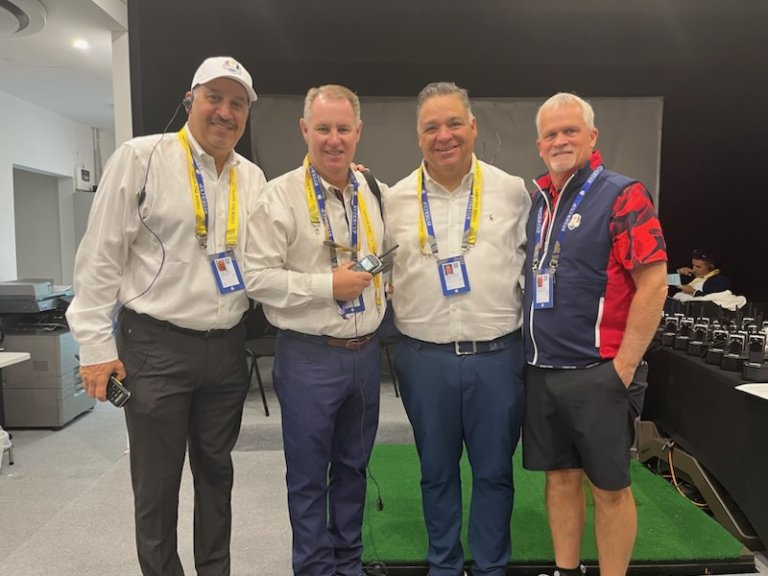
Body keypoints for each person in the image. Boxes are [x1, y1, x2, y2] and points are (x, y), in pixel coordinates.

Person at [66, 56, 266, 576]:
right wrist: (94, 347)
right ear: (190, 99)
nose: (225, 112)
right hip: (156, 346)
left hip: (225, 349)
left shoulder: (254, 177)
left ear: (247, 114)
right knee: (156, 483)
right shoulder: (142, 157)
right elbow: (100, 257)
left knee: (217, 476)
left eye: (237, 103)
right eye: (214, 98)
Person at [382, 82, 530, 576]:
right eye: (431, 127)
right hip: (425, 360)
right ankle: (443, 566)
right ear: (418, 136)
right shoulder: (393, 199)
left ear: (473, 127)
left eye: (453, 124)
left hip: (497, 357)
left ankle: (491, 567)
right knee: (436, 474)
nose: (443, 136)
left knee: (494, 475)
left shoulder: (512, 191)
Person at [522, 92, 668, 576]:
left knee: (609, 488)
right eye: (551, 133)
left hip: (601, 371)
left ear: (592, 137)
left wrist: (623, 366)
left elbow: (653, 282)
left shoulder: (623, 194)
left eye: (570, 131)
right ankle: (566, 570)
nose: (560, 140)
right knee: (561, 479)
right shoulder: (540, 203)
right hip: (544, 371)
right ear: (539, 144)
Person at [245, 85, 386, 576]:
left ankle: (348, 564)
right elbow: (256, 278)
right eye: (322, 128)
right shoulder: (277, 196)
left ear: (358, 132)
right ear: (305, 130)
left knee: (353, 469)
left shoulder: (372, 191)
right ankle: (314, 569)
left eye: (343, 129)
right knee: (308, 477)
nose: (333, 139)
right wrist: (327, 285)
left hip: (366, 355)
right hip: (309, 355)